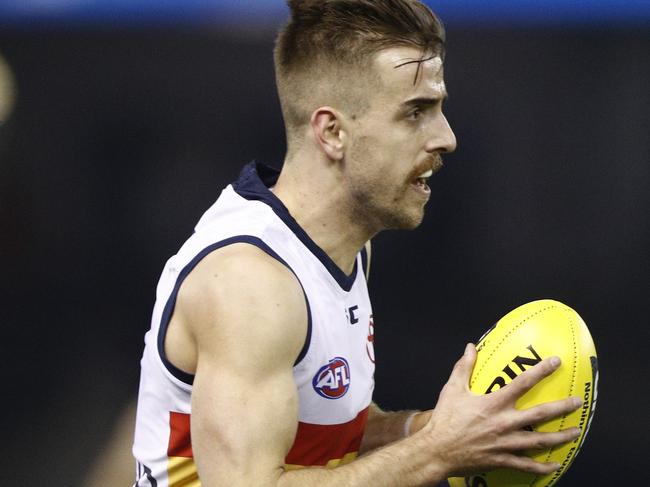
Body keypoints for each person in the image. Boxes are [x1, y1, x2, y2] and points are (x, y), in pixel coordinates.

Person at [131, 1, 582, 486]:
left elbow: (324, 427)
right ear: (332, 132)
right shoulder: (250, 284)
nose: (447, 138)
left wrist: (441, 429)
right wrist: (436, 451)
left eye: (439, 109)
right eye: (416, 112)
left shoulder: (337, 249)